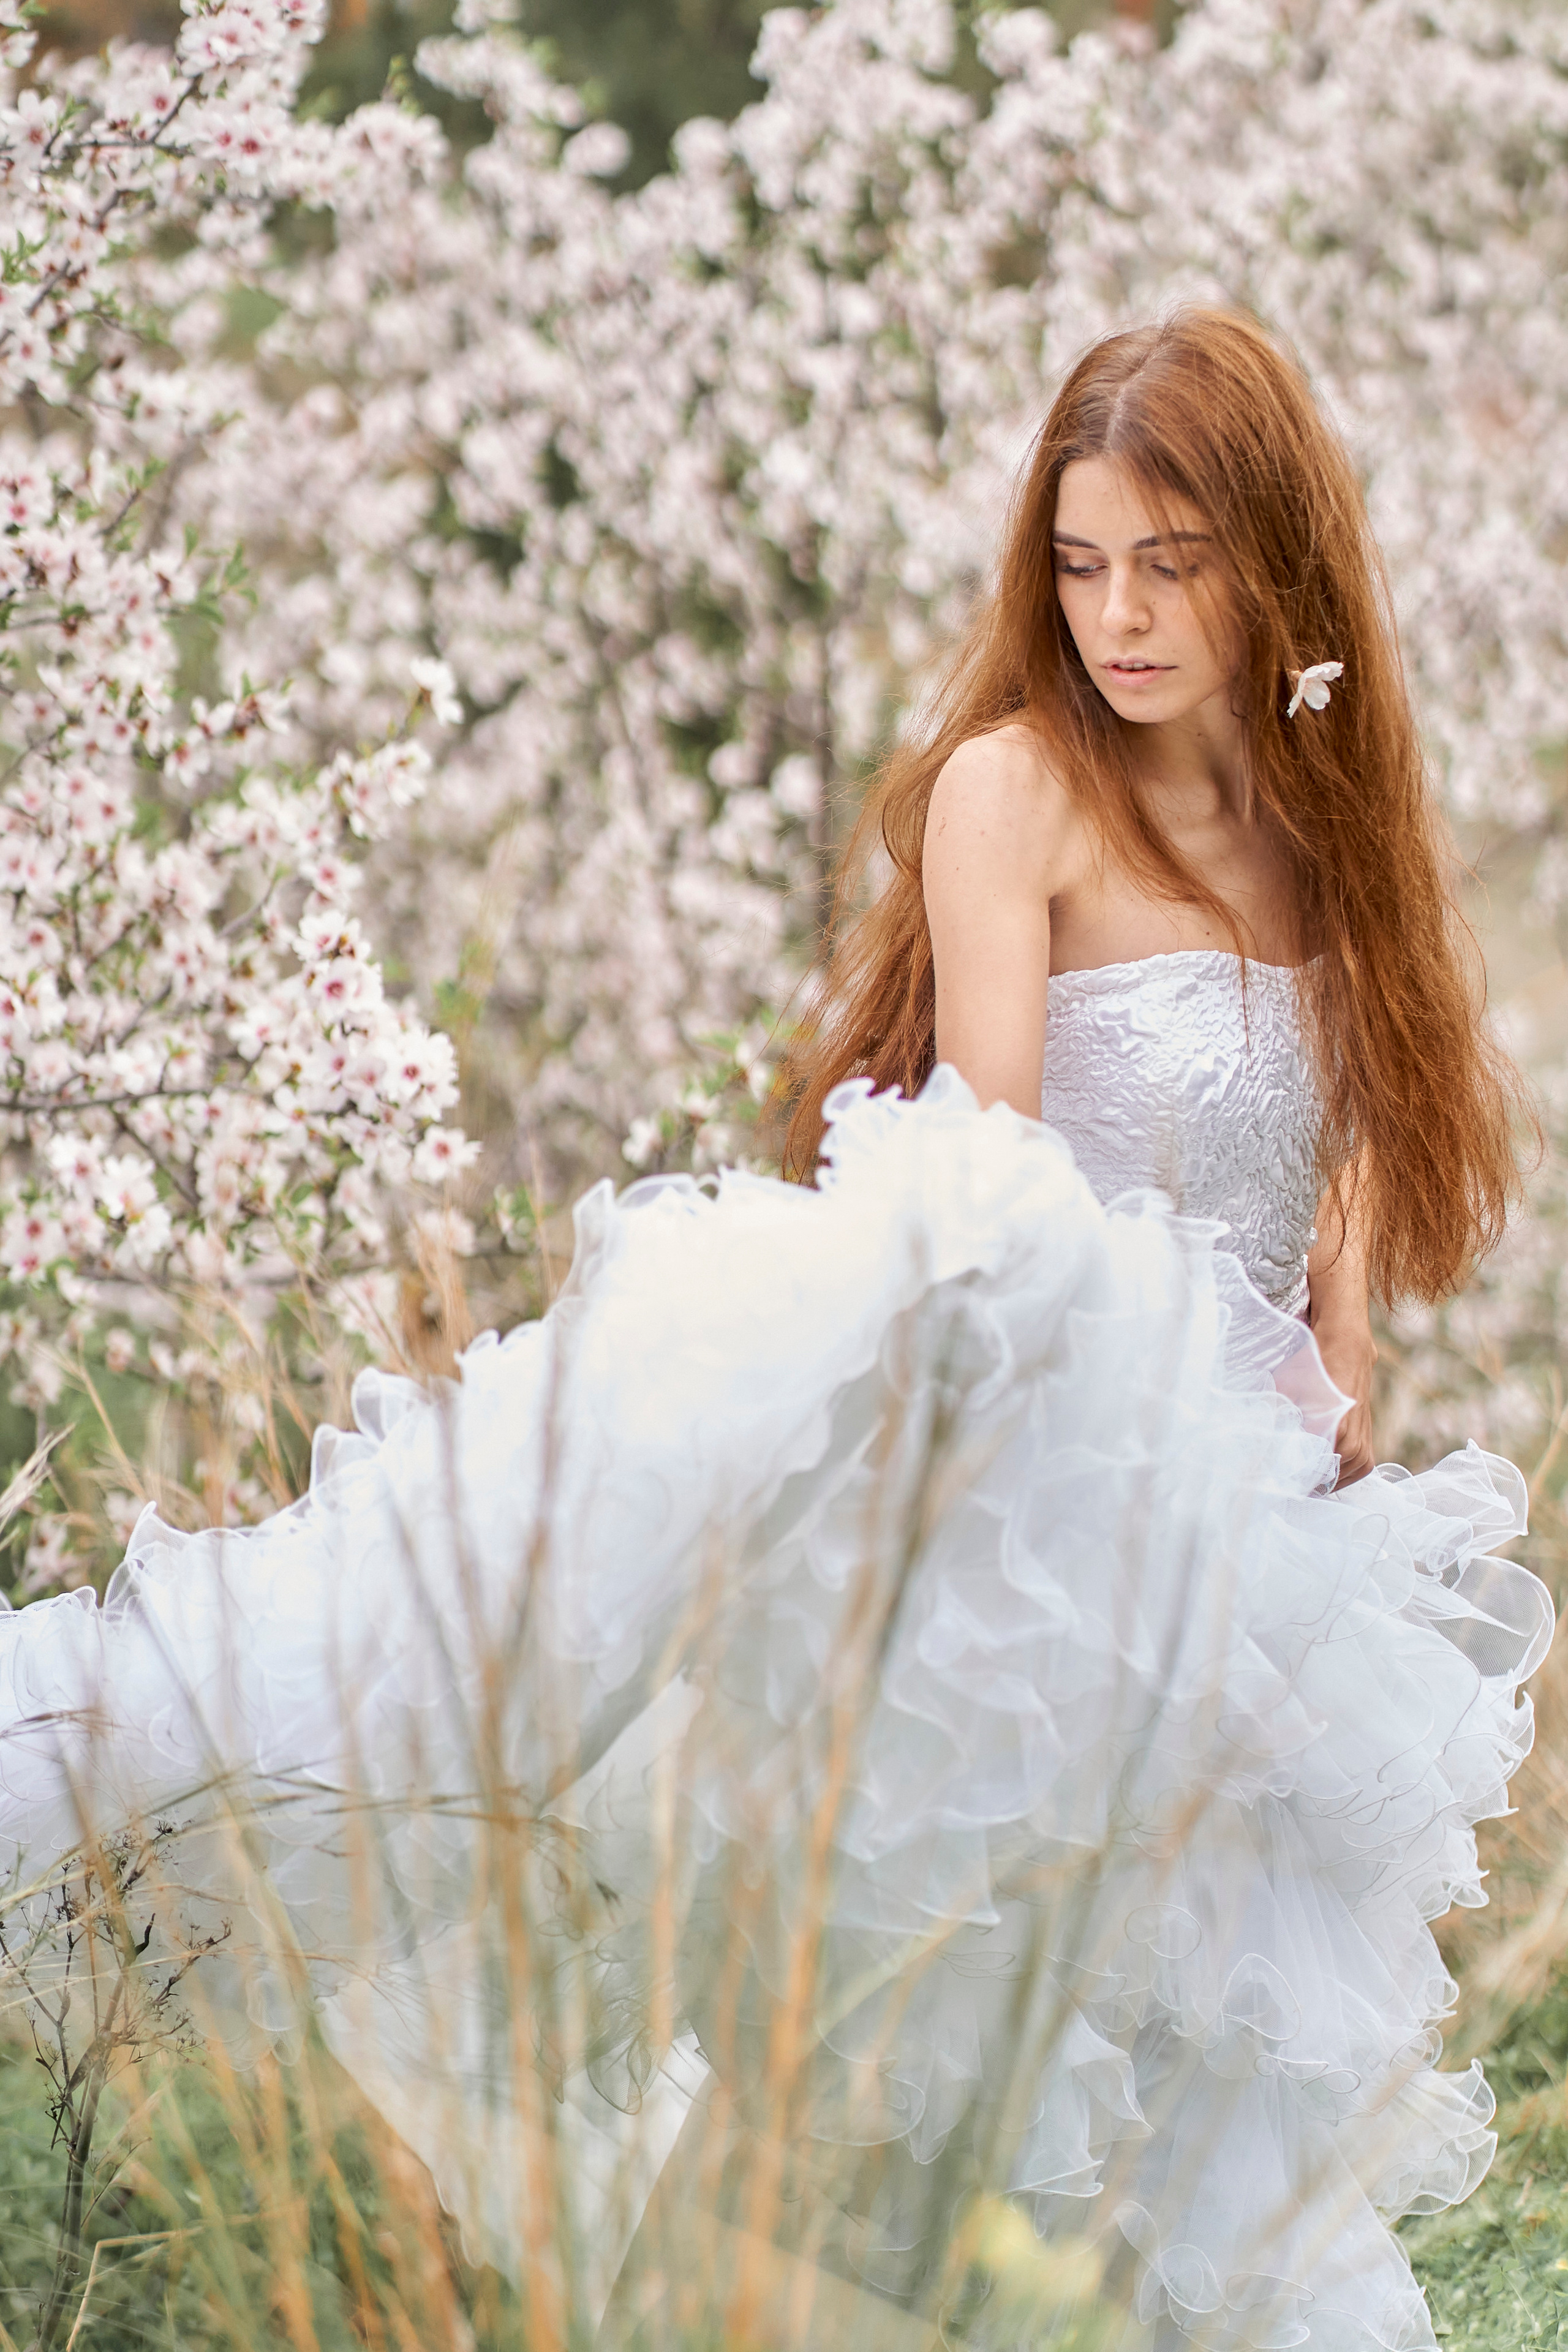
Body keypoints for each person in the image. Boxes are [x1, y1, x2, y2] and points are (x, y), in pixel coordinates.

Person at [0, 311, 1555, 2352]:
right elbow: (989, 1157)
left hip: (1256, 1543)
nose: (1119, 616)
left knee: (1201, 2088)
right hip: (1040, 1509)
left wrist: (1339, 1342)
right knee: (919, 2076)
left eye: (1170, 562)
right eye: (1080, 565)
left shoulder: (1316, 813)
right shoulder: (1017, 790)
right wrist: (1194, 1354)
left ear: (1277, 558)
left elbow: (1338, 1119)